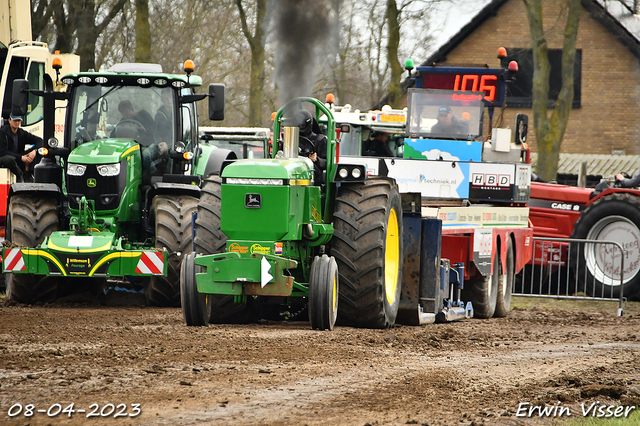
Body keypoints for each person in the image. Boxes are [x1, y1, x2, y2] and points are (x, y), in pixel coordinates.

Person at [0, 114, 41, 182]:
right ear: (9, 121)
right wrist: (21, 157)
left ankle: (29, 174)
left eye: (18, 121)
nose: (17, 123)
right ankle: (19, 175)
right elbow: (2, 151)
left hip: (19, 156)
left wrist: (34, 151)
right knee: (8, 159)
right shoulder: (2, 132)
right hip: (6, 157)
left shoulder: (21, 133)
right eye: (15, 120)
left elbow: (39, 140)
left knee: (40, 151)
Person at [295, 109, 326, 185]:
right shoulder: (290, 139)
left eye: (302, 125)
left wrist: (316, 159)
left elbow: (327, 163)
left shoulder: (320, 140)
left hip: (312, 173)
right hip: (292, 169)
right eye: (298, 125)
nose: (300, 127)